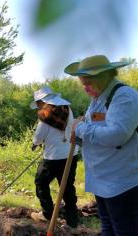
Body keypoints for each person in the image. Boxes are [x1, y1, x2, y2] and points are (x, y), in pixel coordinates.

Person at [65, 55, 138, 235]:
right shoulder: (97, 98)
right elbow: (98, 130)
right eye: (82, 83)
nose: (85, 87)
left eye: (88, 82)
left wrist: (81, 128)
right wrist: (80, 135)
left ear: (105, 75)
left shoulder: (123, 96)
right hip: (102, 179)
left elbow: (117, 135)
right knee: (107, 226)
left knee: (124, 230)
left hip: (121, 181)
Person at [29, 86, 79, 228]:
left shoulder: (45, 113)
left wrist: (35, 144)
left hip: (53, 157)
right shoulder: (67, 109)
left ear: (42, 101)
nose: (38, 106)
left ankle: (47, 214)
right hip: (71, 154)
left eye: (38, 103)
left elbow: (39, 136)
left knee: (41, 182)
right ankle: (72, 221)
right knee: (67, 187)